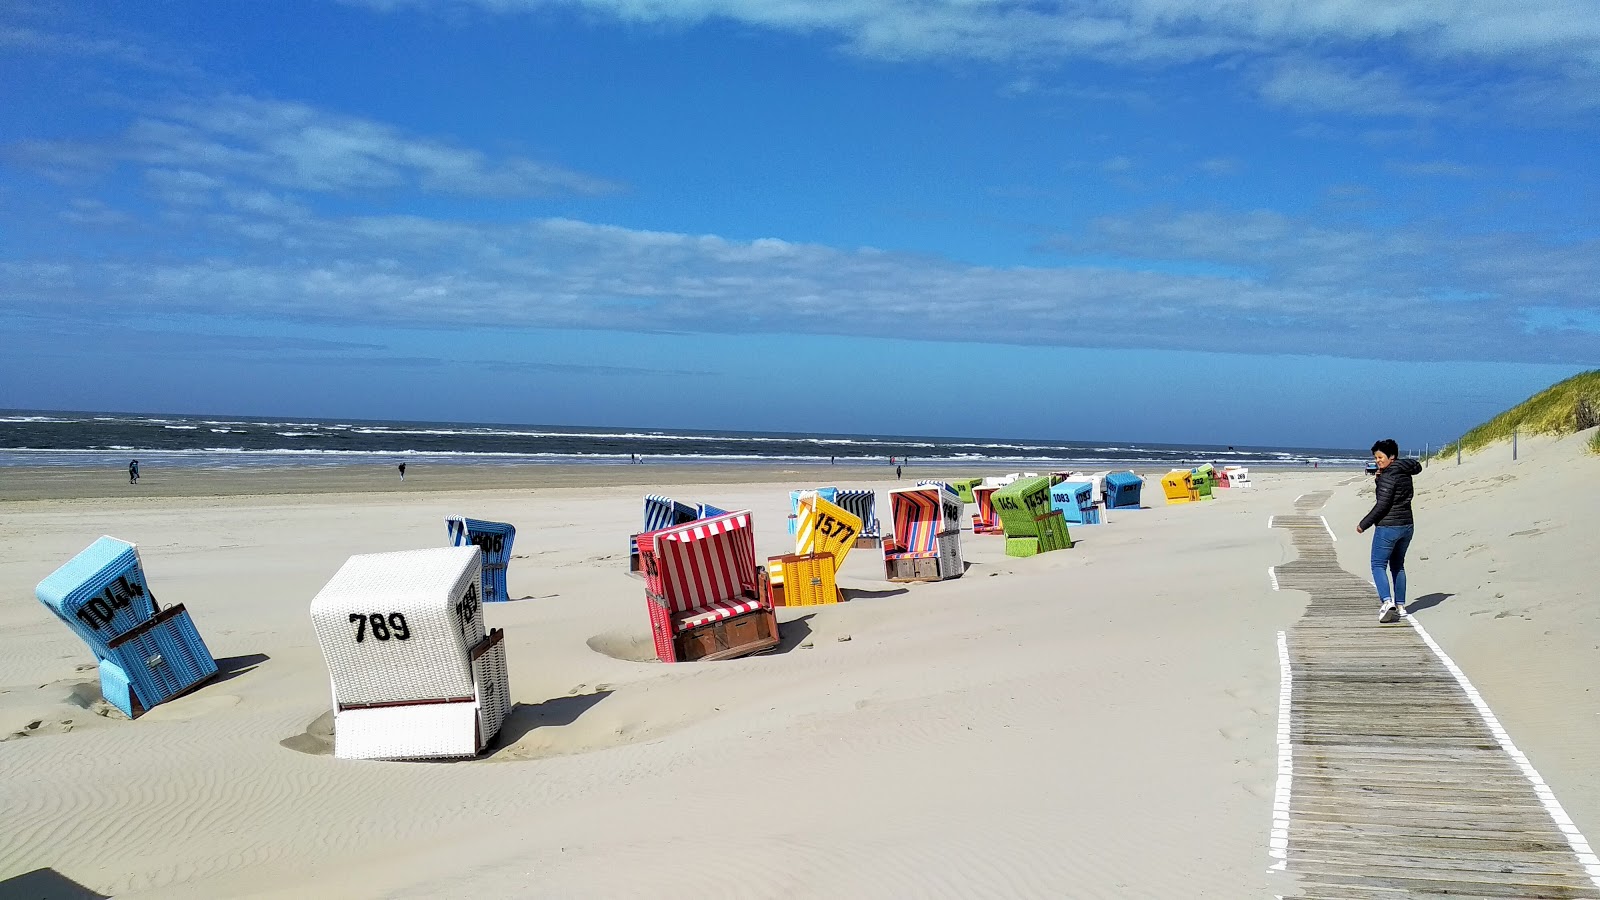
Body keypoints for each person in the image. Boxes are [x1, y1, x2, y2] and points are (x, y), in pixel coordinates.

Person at [1355, 439, 1422, 624]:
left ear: (1391, 457)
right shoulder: (1404, 472)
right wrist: (1379, 479)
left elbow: (1383, 505)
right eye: (1375, 458)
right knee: (1398, 565)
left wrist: (1364, 524)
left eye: (1380, 457)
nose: (1377, 461)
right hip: (1407, 525)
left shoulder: (1388, 476)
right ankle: (1400, 606)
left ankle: (1387, 602)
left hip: (1388, 526)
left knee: (1378, 564)